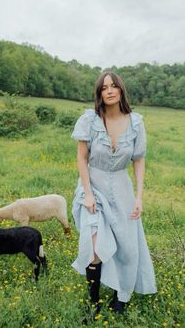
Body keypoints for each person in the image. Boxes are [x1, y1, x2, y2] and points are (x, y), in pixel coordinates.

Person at [71, 72, 157, 320]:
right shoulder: (89, 120)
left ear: (121, 90)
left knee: (128, 249)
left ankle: (122, 296)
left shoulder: (136, 123)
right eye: (103, 88)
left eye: (113, 86)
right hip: (93, 187)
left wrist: (139, 197)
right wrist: (87, 194)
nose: (109, 91)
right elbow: (81, 158)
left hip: (122, 189)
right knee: (95, 249)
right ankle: (93, 303)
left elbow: (138, 161)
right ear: (99, 94)